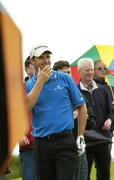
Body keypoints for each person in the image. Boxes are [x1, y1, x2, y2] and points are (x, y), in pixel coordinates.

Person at [25, 44, 87, 180]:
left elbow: (81, 106)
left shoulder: (64, 79)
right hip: (41, 144)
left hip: (64, 141)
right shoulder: (28, 86)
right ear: (32, 60)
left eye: (48, 57)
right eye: (41, 57)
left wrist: (80, 136)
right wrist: (40, 82)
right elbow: (26, 108)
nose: (46, 61)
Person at [77, 58, 112, 180]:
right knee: (84, 176)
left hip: (103, 139)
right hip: (85, 141)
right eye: (87, 70)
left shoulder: (104, 90)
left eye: (92, 69)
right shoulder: (75, 92)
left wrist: (110, 120)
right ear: (79, 72)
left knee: (104, 175)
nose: (90, 72)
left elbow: (110, 111)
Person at [53, 60, 88, 180]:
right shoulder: (52, 96)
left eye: (69, 72)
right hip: (61, 148)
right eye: (64, 73)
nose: (68, 75)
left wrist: (83, 117)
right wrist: (68, 117)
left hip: (78, 147)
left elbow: (92, 120)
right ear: (56, 74)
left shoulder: (77, 93)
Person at [94, 60, 114, 179]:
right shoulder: (90, 86)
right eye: (99, 68)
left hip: (107, 132)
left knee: (104, 167)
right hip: (91, 132)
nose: (102, 70)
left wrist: (111, 120)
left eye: (104, 68)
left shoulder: (110, 88)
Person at [19, 56, 37, 180]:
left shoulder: (48, 88)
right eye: (34, 66)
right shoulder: (18, 90)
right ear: (27, 69)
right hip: (28, 146)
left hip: (48, 146)